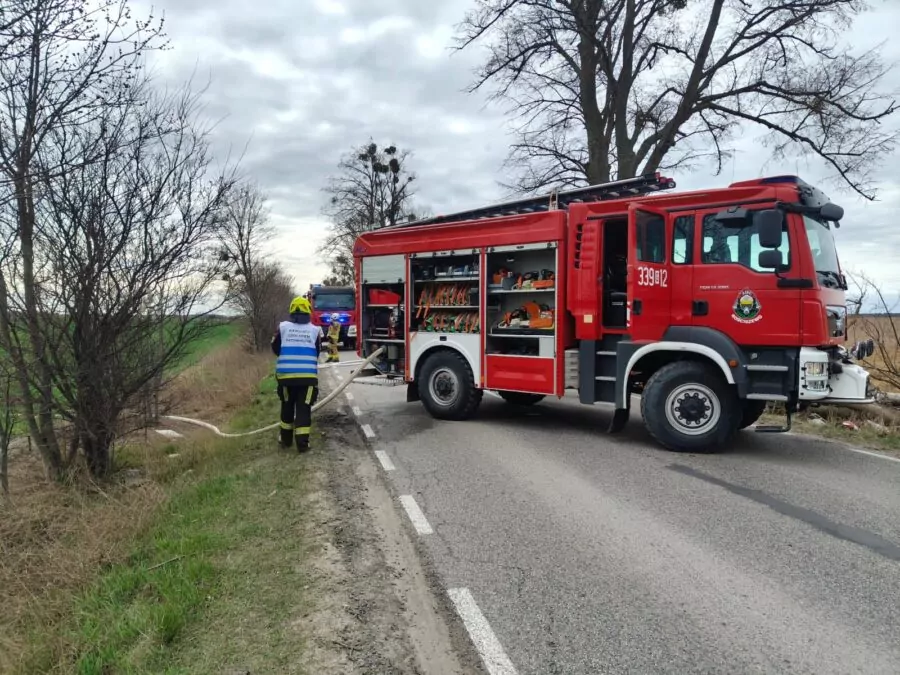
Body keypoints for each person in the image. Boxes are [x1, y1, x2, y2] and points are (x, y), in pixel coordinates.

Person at [270, 296, 323, 452]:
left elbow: (275, 348)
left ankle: (285, 441)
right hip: (307, 379)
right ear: (308, 312)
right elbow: (317, 352)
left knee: (287, 406)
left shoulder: (283, 327)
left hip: (286, 378)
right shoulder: (315, 330)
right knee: (303, 408)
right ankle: (302, 444)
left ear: (292, 312)